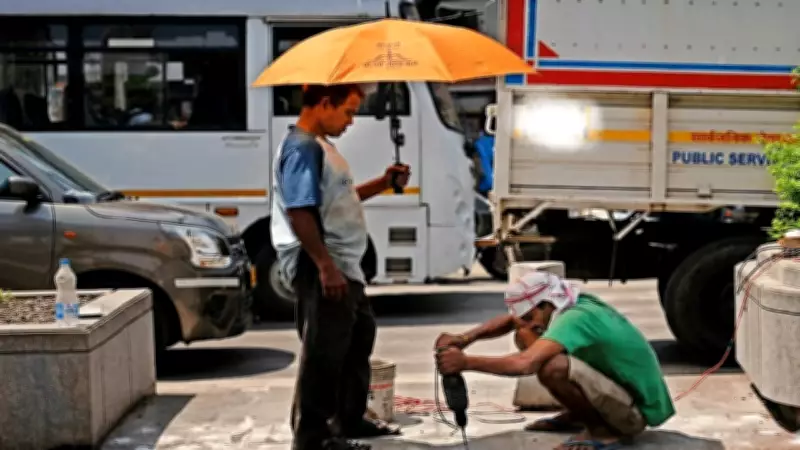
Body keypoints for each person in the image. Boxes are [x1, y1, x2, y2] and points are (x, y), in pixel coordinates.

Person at [270, 83, 411, 450]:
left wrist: (383, 182)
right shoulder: (302, 148)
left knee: (357, 338)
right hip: (324, 262)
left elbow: (339, 200)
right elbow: (300, 211)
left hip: (343, 264)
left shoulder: (322, 148)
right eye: (348, 111)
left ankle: (348, 418)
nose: (351, 122)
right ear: (324, 103)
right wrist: (324, 267)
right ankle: (313, 436)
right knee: (325, 351)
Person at [434, 271, 675, 450]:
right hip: (621, 394)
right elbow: (513, 321)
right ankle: (579, 415)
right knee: (527, 336)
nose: (528, 323)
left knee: (551, 366)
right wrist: (465, 338)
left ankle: (603, 431)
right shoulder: (566, 302)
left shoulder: (575, 319)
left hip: (635, 414)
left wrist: (466, 362)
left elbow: (524, 363)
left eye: (530, 315)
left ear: (546, 304)